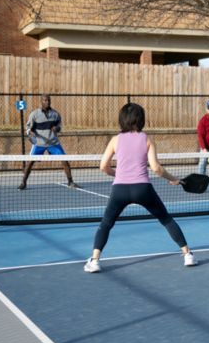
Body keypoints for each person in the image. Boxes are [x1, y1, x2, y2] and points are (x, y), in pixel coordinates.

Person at [84, 103, 197, 273]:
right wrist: (174, 179)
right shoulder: (147, 139)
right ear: (141, 119)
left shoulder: (115, 140)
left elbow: (103, 166)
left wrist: (119, 175)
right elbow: (157, 169)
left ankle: (94, 261)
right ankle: (187, 255)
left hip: (119, 190)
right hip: (143, 189)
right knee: (166, 219)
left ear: (122, 120)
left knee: (106, 224)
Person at [18, 94, 79, 190]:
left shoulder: (55, 114)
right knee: (30, 162)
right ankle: (23, 183)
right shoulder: (34, 114)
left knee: (65, 161)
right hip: (39, 143)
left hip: (53, 143)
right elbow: (28, 128)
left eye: (49, 100)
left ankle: (70, 182)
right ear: (41, 101)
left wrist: (57, 128)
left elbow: (60, 127)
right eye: (45, 100)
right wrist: (31, 132)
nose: (47, 102)